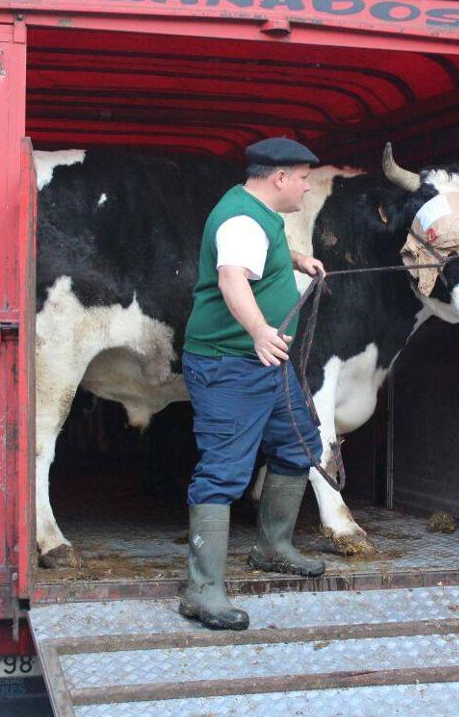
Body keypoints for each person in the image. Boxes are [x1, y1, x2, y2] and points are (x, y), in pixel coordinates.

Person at [178, 137, 328, 630]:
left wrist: (297, 259)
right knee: (223, 471)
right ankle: (202, 592)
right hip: (231, 364)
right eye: (303, 177)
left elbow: (263, 252)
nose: (308, 185)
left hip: (265, 362)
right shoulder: (242, 219)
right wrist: (261, 331)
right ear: (279, 177)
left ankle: (274, 548)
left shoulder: (259, 212)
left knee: (299, 443)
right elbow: (232, 278)